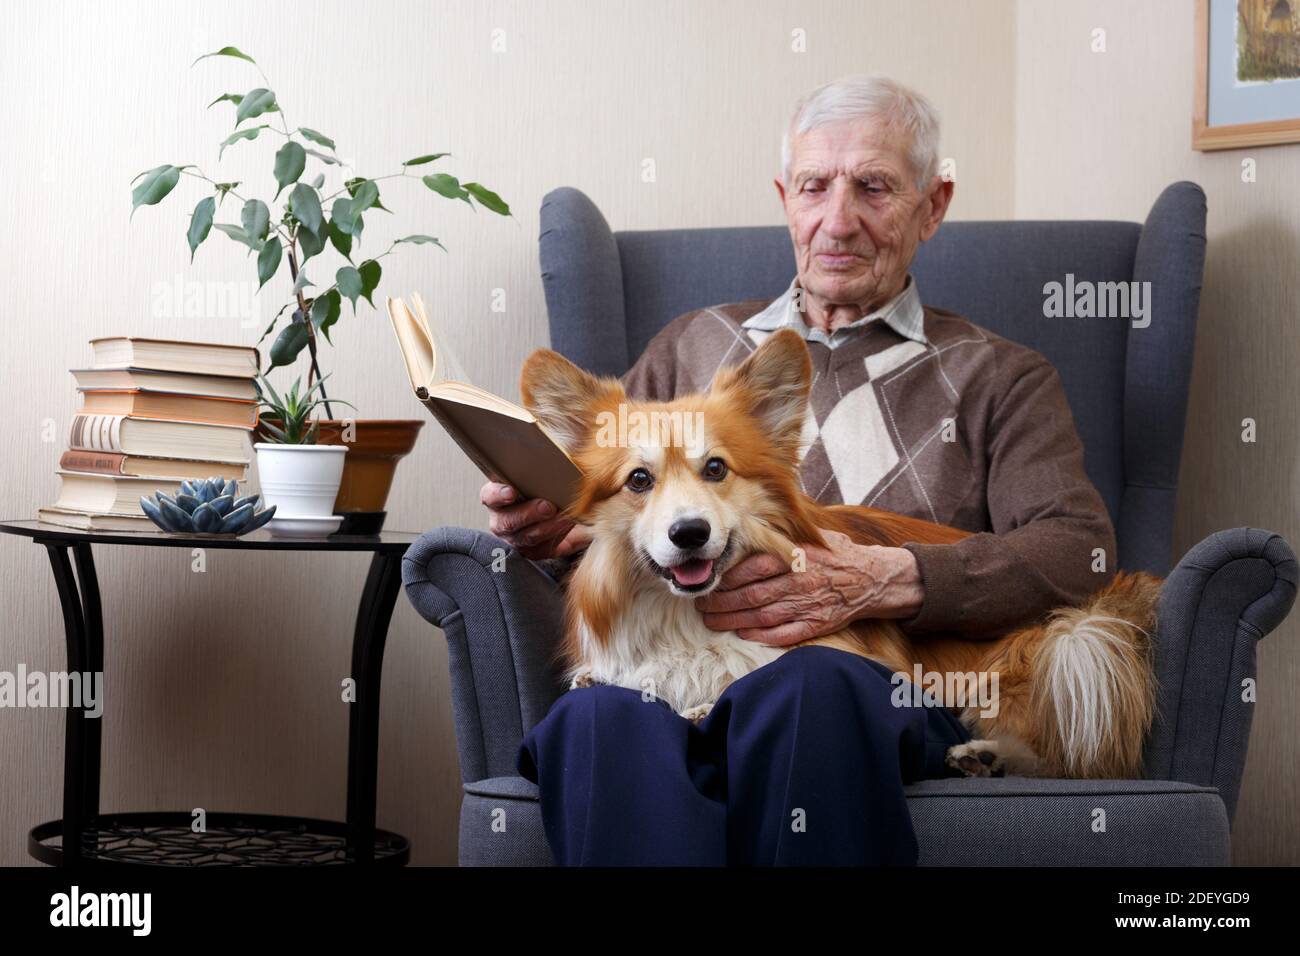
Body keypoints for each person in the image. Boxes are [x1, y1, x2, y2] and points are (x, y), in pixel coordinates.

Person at [483, 74, 1116, 865]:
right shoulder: (690, 343)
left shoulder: (1002, 377)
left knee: (808, 688)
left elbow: (1077, 549)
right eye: (815, 186)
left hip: (872, 693)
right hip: (670, 680)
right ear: (786, 196)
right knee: (591, 721)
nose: (837, 220)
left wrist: (890, 577)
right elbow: (615, 496)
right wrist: (546, 521)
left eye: (874, 188)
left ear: (934, 205)